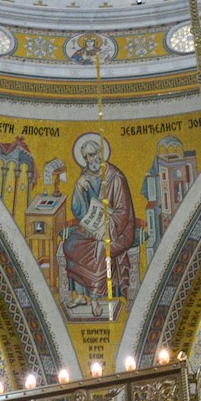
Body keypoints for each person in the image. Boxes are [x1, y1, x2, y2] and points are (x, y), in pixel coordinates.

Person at [60, 135, 141, 317]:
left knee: (98, 249)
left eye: (94, 154)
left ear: (101, 154)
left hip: (119, 230)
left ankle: (95, 298)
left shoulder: (115, 178)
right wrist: (78, 188)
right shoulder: (85, 176)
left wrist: (106, 229)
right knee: (70, 245)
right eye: (87, 156)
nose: (92, 159)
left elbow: (123, 212)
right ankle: (81, 294)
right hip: (93, 228)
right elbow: (79, 211)